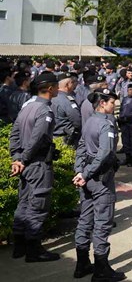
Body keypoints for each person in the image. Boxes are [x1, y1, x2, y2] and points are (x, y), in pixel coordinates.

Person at [72, 90, 126, 281]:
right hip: (101, 179)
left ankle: (82, 265)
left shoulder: (89, 121)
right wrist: (85, 174)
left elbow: (80, 147)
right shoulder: (105, 124)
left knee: (85, 221)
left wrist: (79, 171)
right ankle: (101, 270)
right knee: (102, 224)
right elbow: (104, 153)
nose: (114, 106)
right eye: (112, 102)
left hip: (87, 177)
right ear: (102, 103)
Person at [9, 71, 60, 263]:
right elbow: (36, 139)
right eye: (55, 86)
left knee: (23, 203)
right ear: (49, 88)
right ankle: (33, 250)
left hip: (26, 164)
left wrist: (17, 158)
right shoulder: (44, 110)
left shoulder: (27, 107)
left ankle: (19, 247)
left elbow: (14, 135)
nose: (57, 88)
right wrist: (23, 159)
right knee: (37, 206)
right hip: (37, 164)